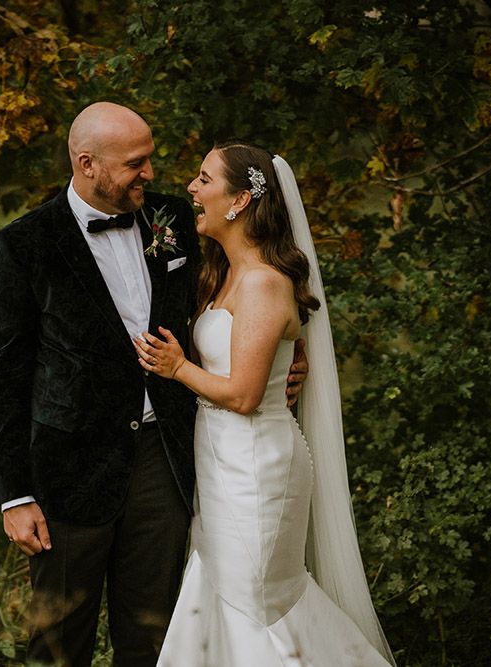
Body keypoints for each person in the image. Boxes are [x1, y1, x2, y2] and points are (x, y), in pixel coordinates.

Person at [0, 103, 308, 666]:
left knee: (155, 632)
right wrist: (14, 493)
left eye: (150, 158)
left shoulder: (175, 219)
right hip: (68, 467)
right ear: (88, 164)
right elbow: (5, 373)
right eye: (136, 163)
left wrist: (284, 359)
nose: (151, 173)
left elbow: (242, 294)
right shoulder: (26, 243)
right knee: (59, 639)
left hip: (166, 457)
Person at [134, 142, 396, 666]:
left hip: (256, 469)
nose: (191, 188)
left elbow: (247, 396)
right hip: (221, 463)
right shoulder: (224, 274)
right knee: (224, 596)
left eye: (204, 179)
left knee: (256, 602)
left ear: (239, 201)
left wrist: (177, 366)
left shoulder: (261, 283)